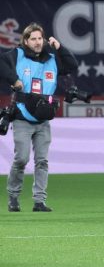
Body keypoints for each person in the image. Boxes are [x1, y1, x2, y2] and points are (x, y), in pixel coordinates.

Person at [1, 24, 78, 212]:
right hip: (21, 116)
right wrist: (14, 79)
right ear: (26, 41)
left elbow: (72, 66)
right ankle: (13, 196)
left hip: (43, 119)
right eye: (33, 39)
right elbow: (1, 62)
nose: (37, 42)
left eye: (39, 38)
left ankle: (39, 201)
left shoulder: (52, 59)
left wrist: (59, 48)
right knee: (22, 158)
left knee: (42, 161)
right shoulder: (18, 55)